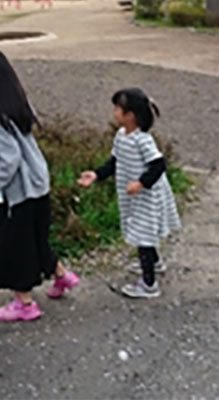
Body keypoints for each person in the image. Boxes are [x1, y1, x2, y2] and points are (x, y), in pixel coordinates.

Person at [0, 50, 79, 322]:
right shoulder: (18, 100)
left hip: (20, 188)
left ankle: (24, 303)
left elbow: (9, 158)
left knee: (14, 245)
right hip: (39, 180)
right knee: (37, 236)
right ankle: (62, 276)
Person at [78, 88, 181, 299]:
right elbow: (116, 161)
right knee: (141, 229)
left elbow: (159, 165)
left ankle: (149, 284)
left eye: (117, 109)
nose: (114, 113)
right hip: (134, 194)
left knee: (142, 233)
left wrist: (142, 183)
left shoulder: (142, 140)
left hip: (148, 195)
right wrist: (97, 174)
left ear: (130, 115)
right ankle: (155, 262)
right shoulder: (121, 136)